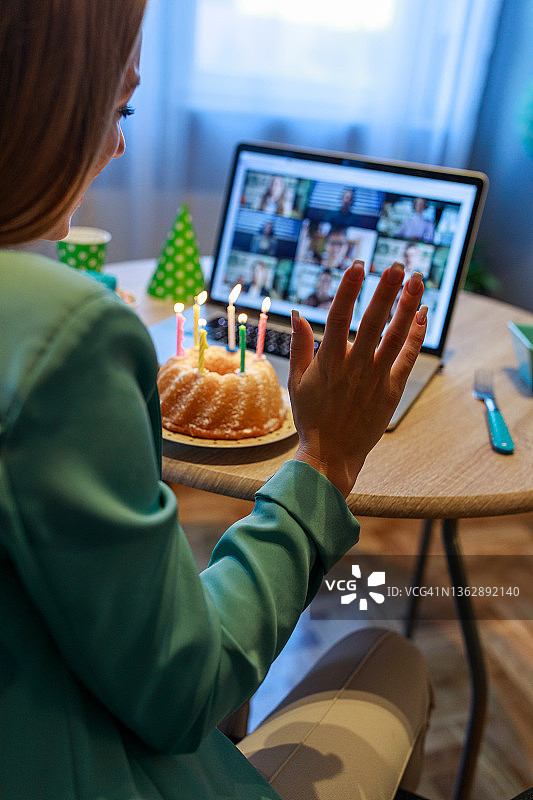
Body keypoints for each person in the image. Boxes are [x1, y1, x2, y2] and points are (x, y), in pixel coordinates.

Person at [0, 3, 432, 800]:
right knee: (392, 659)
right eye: (119, 107)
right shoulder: (64, 334)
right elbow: (186, 687)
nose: (118, 145)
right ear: (43, 98)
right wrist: (328, 458)